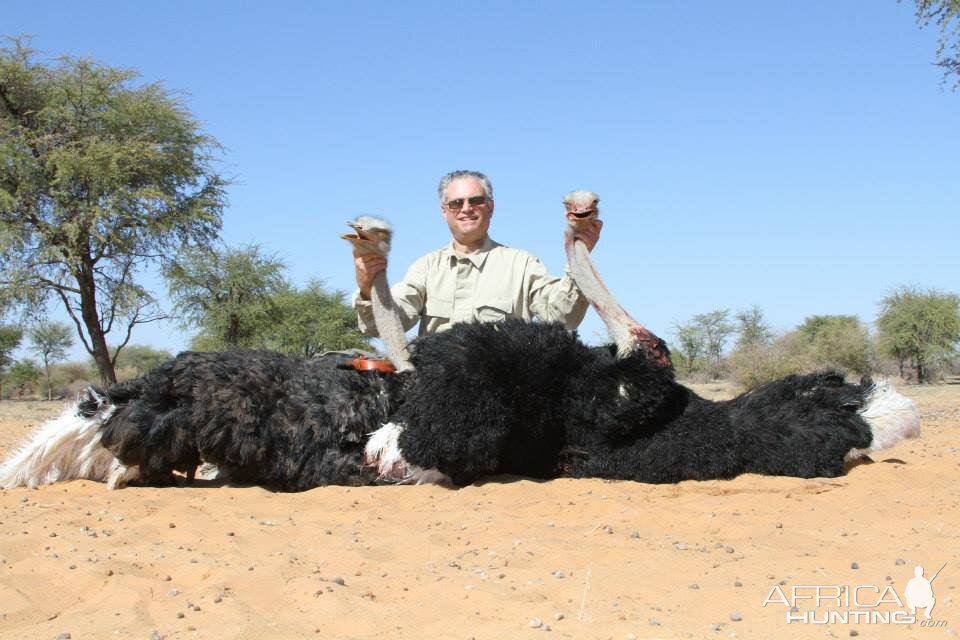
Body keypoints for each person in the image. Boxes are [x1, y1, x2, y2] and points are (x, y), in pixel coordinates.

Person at [351, 170, 602, 337]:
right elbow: (384, 327)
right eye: (456, 203)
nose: (466, 209)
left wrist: (579, 259)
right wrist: (366, 290)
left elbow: (562, 320)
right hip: (435, 393)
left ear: (490, 207)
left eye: (476, 201)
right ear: (444, 211)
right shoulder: (426, 267)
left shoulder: (522, 264)